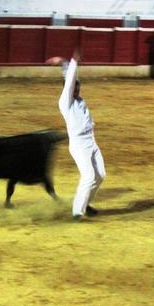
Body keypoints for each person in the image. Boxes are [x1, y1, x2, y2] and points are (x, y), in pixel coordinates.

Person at [46, 48, 105, 221]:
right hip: (79, 144)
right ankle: (77, 212)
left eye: (79, 88)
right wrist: (73, 61)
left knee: (100, 175)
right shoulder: (65, 102)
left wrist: (63, 63)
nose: (77, 91)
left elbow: (71, 78)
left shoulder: (78, 99)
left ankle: (86, 204)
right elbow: (70, 80)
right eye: (74, 88)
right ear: (68, 90)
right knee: (88, 176)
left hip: (90, 140)